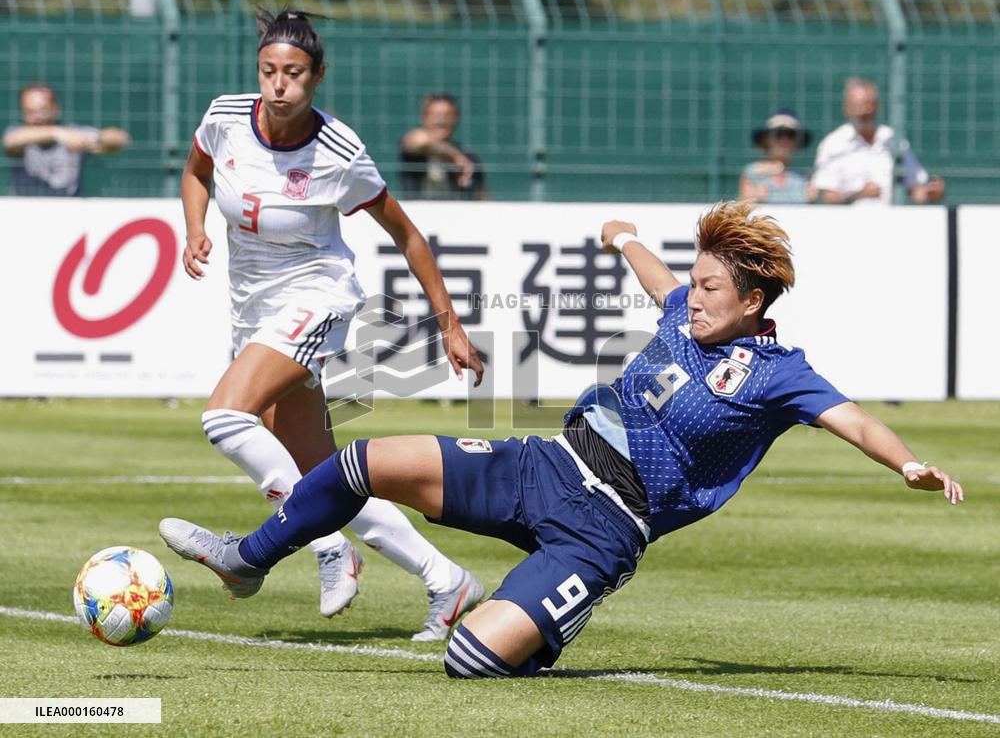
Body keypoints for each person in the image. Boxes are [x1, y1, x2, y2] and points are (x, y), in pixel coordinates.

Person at [160, 201, 964, 676]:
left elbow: (855, 419)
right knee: (359, 462)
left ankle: (533, 613)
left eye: (710, 287)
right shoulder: (683, 308)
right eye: (695, 281)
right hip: (547, 463)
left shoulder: (780, 373)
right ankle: (246, 560)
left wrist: (908, 462)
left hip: (605, 530)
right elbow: (655, 274)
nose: (692, 296)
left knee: (471, 661)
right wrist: (621, 237)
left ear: (752, 302)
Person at [177, 9, 486, 641]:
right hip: (252, 309)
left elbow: (407, 235)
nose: (278, 84)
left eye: (293, 73)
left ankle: (324, 547)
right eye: (268, 70)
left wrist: (450, 325)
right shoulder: (225, 118)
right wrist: (194, 228)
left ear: (317, 76)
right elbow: (196, 172)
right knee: (324, 476)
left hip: (317, 296)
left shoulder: (338, 151)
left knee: (224, 418)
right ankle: (447, 580)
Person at [812, 78, 945, 205]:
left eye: (867, 105)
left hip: (892, 218)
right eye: (855, 106)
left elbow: (914, 187)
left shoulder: (893, 140)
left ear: (877, 107)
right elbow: (826, 197)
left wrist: (930, 193)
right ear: (846, 108)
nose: (862, 112)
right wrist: (858, 195)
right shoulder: (833, 144)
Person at [2, 83, 131, 196]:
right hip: (25, 209)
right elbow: (11, 141)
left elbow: (121, 139)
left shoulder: (73, 133)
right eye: (30, 112)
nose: (37, 117)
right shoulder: (18, 134)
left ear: (55, 108)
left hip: (69, 209)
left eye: (42, 110)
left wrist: (99, 139)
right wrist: (55, 132)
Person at [398, 94, 486, 200]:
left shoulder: (469, 158)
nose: (441, 120)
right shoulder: (414, 149)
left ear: (456, 118)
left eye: (448, 115)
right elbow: (416, 140)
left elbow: (481, 195)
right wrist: (454, 155)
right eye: (435, 115)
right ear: (424, 117)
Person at [739, 108, 816, 204]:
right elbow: (743, 205)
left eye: (790, 135)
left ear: (797, 141)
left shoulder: (805, 177)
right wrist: (754, 197)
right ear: (766, 139)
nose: (784, 140)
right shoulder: (752, 172)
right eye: (778, 134)